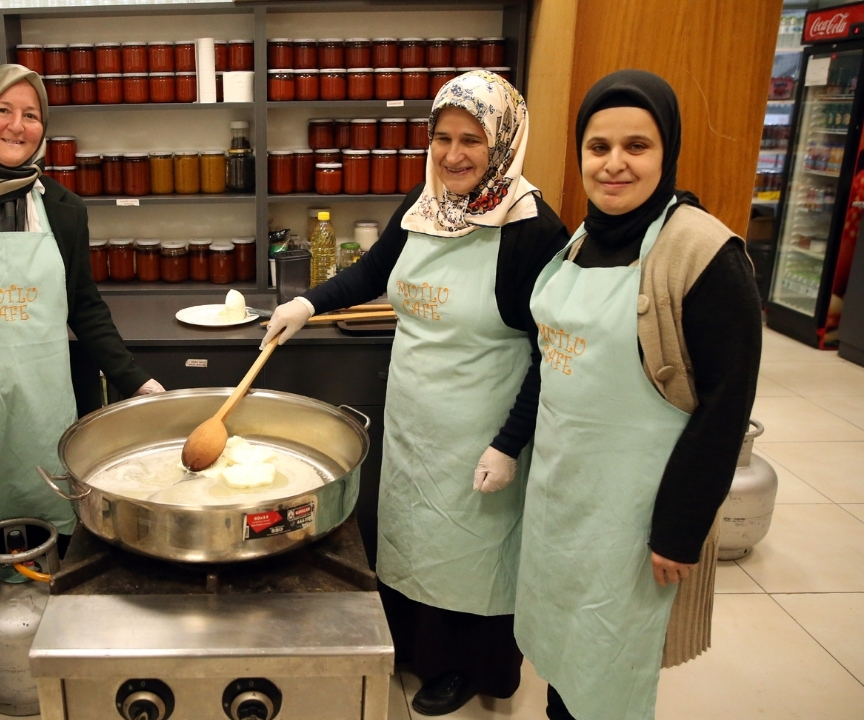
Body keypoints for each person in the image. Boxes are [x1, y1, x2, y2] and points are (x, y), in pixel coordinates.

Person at [262, 70, 568, 716]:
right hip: (414, 417)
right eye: (442, 138)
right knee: (414, 536)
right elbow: (373, 273)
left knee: (472, 549)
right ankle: (414, 648)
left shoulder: (532, 230)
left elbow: (551, 355)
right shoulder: (424, 204)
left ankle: (469, 667)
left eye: (471, 141)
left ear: (504, 143)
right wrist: (307, 303)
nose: (452, 155)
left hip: (484, 429)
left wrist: (510, 443)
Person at [514, 69, 762, 720]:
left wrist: (679, 529)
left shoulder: (702, 252)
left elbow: (726, 406)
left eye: (637, 146)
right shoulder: (582, 239)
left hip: (633, 514)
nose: (614, 164)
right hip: (563, 497)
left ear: (667, 152)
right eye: (599, 147)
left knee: (610, 666)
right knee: (565, 651)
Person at [0, 65, 162, 543]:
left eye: (31, 115)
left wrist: (137, 382)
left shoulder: (62, 207)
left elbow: (84, 306)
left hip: (43, 400)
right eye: (3, 110)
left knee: (48, 512)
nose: (18, 126)